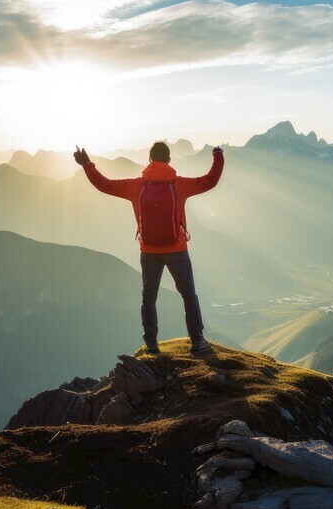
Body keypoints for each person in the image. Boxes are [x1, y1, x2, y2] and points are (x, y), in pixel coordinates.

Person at [73, 141, 224, 354]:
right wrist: (218, 155)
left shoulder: (137, 186)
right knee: (188, 294)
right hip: (177, 250)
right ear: (169, 160)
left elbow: (103, 184)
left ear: (150, 160)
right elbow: (211, 180)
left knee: (149, 296)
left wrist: (86, 163)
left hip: (149, 251)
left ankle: (152, 344)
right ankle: (197, 341)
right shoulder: (179, 184)